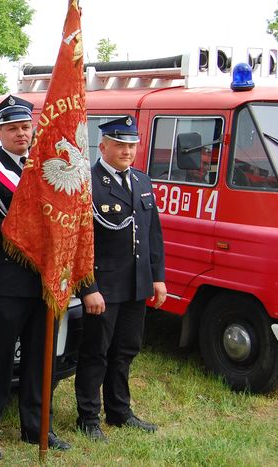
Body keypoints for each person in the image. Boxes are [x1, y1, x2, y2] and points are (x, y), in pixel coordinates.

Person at [0, 95, 71, 460]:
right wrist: (30, 228)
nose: (21, 134)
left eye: (26, 127)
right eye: (12, 129)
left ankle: (37, 426)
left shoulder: (47, 170)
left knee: (40, 362)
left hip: (44, 282)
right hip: (8, 283)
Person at [75, 115, 167, 442]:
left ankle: (119, 410)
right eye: (120, 145)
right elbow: (78, 242)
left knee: (126, 350)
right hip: (104, 287)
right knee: (95, 353)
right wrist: (88, 288)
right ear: (103, 146)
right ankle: (88, 416)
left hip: (136, 284)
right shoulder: (88, 183)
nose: (127, 151)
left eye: (132, 145)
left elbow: (152, 233)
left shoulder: (141, 181)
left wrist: (157, 277)